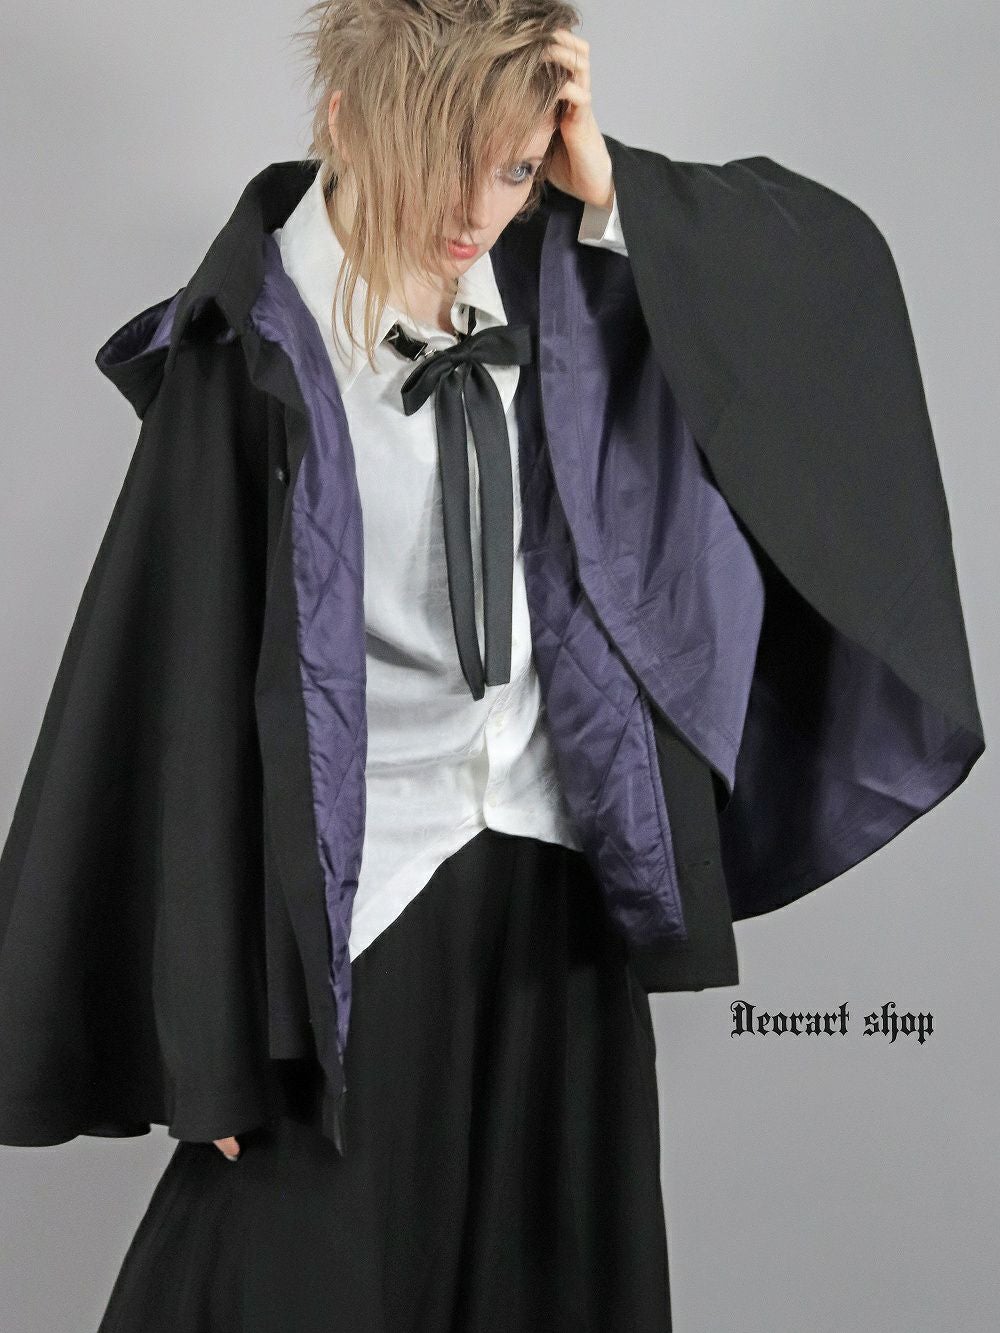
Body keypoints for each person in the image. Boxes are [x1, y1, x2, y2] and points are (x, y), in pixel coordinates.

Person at [0, 2, 984, 1330]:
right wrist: (207, 1033)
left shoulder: (571, 278)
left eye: (514, 167)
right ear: (344, 126)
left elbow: (823, 286)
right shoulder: (254, 340)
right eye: (445, 168)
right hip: (351, 914)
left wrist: (609, 185)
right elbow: (171, 696)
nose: (476, 212)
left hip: (560, 893)